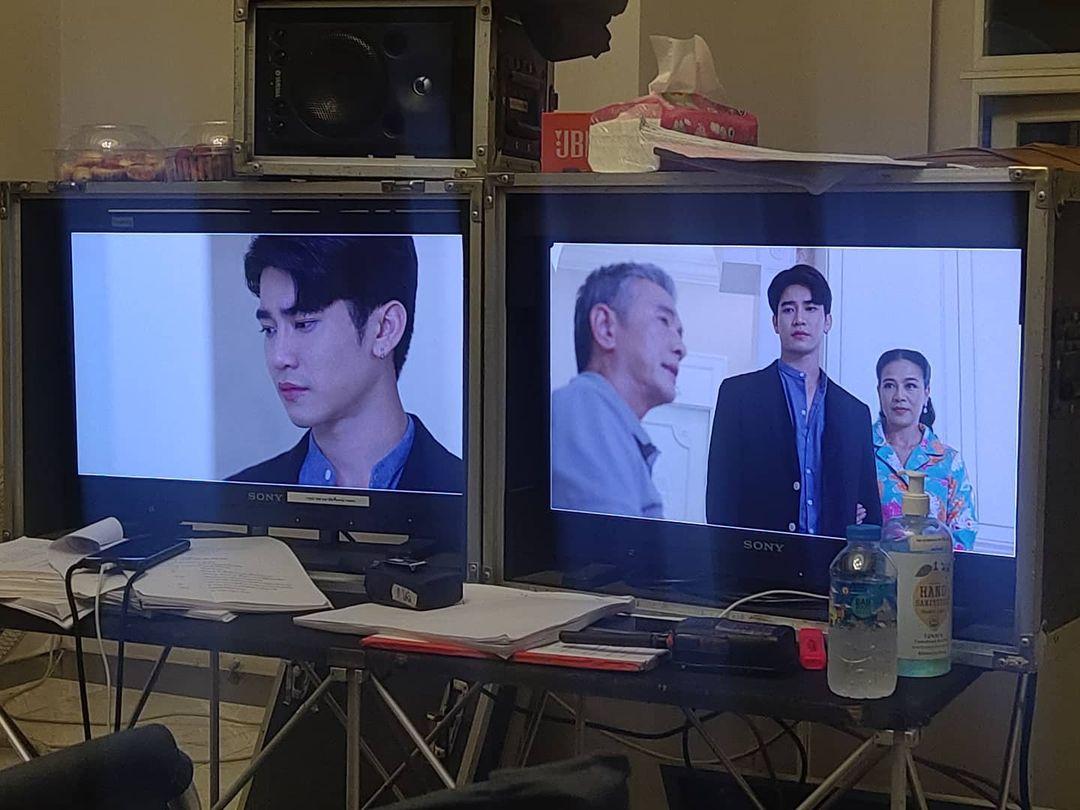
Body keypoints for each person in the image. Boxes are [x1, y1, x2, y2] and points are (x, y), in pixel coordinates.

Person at [228, 235, 463, 493]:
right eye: (269, 329)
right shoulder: (233, 499)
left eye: (304, 324)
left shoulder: (475, 500)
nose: (279, 357)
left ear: (385, 329)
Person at [705, 264, 880, 536]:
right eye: (788, 309)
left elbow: (869, 510)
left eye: (810, 308)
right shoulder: (737, 396)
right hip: (757, 556)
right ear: (775, 323)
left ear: (827, 321)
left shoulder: (854, 412)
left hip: (832, 559)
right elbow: (719, 500)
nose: (799, 319)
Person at [551, 262, 686, 519]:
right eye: (663, 321)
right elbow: (609, 545)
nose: (681, 348)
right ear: (605, 327)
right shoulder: (585, 411)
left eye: (679, 333)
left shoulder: (605, 425)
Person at [873, 348, 977, 550]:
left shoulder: (948, 461)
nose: (899, 396)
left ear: (926, 393)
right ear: (879, 392)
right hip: (872, 567)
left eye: (910, 386)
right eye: (889, 386)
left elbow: (964, 534)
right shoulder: (858, 450)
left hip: (933, 568)